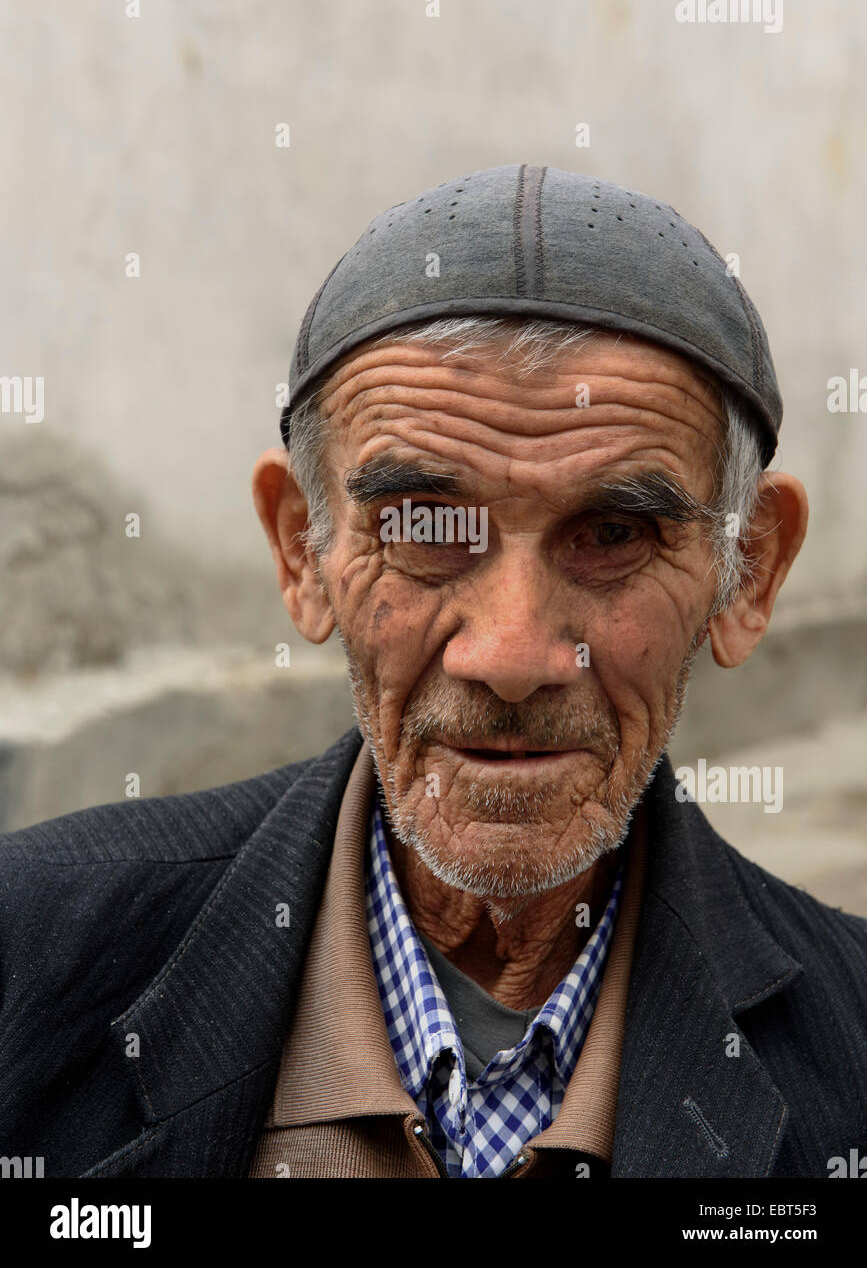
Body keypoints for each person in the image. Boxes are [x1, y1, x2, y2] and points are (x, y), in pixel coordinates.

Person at [1, 166, 864, 1179]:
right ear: (301, 550)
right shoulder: (32, 956)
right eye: (423, 527)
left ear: (746, 569)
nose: (512, 655)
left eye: (615, 532)